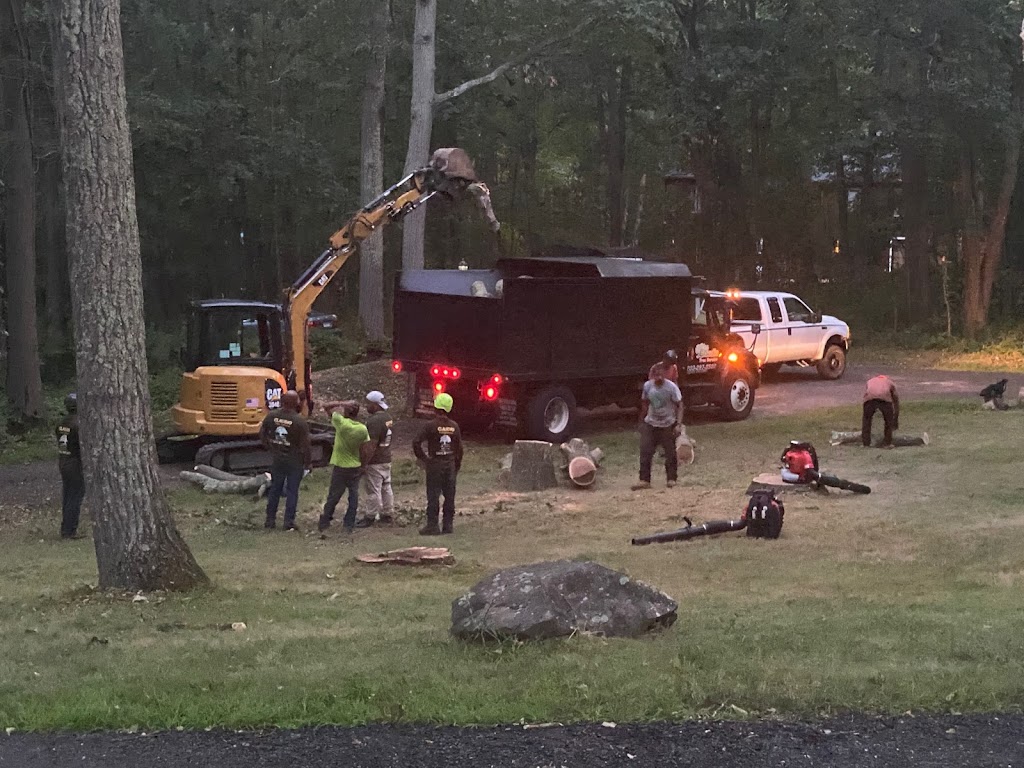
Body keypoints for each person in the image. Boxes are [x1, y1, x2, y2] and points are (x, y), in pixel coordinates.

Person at [258, 390, 311, 531]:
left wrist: (269, 446)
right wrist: (308, 462)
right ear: (296, 403)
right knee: (292, 491)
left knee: (275, 489)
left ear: (282, 401)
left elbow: (262, 432)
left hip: (278, 459)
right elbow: (306, 445)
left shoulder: (272, 415)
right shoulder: (300, 421)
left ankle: (270, 521)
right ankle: (288, 522)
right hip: (294, 461)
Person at [413, 393, 463, 535]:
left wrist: (424, 459)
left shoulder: (430, 425)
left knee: (433, 495)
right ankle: (448, 525)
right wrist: (456, 465)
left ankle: (432, 525)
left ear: (436, 408)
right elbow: (459, 449)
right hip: (450, 464)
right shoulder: (454, 426)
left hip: (435, 464)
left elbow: (416, 442)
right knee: (450, 495)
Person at [319, 400, 372, 534]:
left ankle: (325, 520)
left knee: (334, 495)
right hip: (355, 466)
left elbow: (326, 406)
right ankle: (349, 523)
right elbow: (365, 450)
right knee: (353, 496)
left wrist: (342, 403)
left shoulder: (341, 423)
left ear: (346, 411)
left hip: (340, 465)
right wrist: (363, 465)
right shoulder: (362, 429)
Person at [632, 363, 684, 490]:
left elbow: (680, 406)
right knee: (645, 451)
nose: (659, 378)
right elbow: (645, 403)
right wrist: (641, 421)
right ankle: (644, 480)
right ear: (653, 376)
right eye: (656, 376)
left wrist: (678, 424)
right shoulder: (647, 386)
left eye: (661, 375)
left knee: (670, 453)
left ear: (664, 375)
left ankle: (671, 479)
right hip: (651, 423)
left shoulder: (671, 387)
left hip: (667, 423)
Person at [358, 390, 395, 526]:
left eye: (368, 403)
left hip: (376, 460)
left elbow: (371, 445)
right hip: (386, 457)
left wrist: (364, 463)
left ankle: (370, 516)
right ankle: (387, 513)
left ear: (375, 405)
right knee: (386, 487)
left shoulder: (374, 421)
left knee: (373, 490)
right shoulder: (388, 417)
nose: (366, 406)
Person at [56, 393, 84, 539]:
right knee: (75, 497)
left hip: (64, 460)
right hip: (75, 463)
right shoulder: (79, 425)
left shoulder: (62, 423)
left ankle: (65, 527)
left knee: (67, 495)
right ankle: (70, 530)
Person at [862, 374, 899, 448]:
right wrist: (895, 417)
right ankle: (887, 443)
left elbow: (867, 393)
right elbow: (895, 399)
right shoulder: (889, 382)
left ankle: (866, 443)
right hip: (884, 399)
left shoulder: (870, 381)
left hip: (869, 399)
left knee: (866, 420)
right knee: (888, 421)